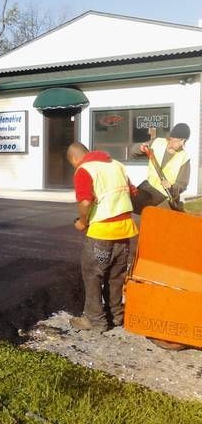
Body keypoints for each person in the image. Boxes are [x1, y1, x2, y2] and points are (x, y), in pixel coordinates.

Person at [66, 142, 138, 332]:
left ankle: (95, 320)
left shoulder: (84, 170)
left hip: (101, 235)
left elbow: (85, 201)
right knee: (116, 275)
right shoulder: (117, 165)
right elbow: (133, 192)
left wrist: (83, 221)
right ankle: (116, 316)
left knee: (93, 274)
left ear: (74, 159)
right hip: (124, 232)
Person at [130, 123, 190, 214]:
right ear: (172, 137)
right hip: (148, 190)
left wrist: (172, 187)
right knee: (134, 214)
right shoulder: (157, 143)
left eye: (184, 141)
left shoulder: (184, 157)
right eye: (181, 140)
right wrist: (140, 148)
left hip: (165, 197)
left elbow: (183, 183)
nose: (182, 143)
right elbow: (133, 151)